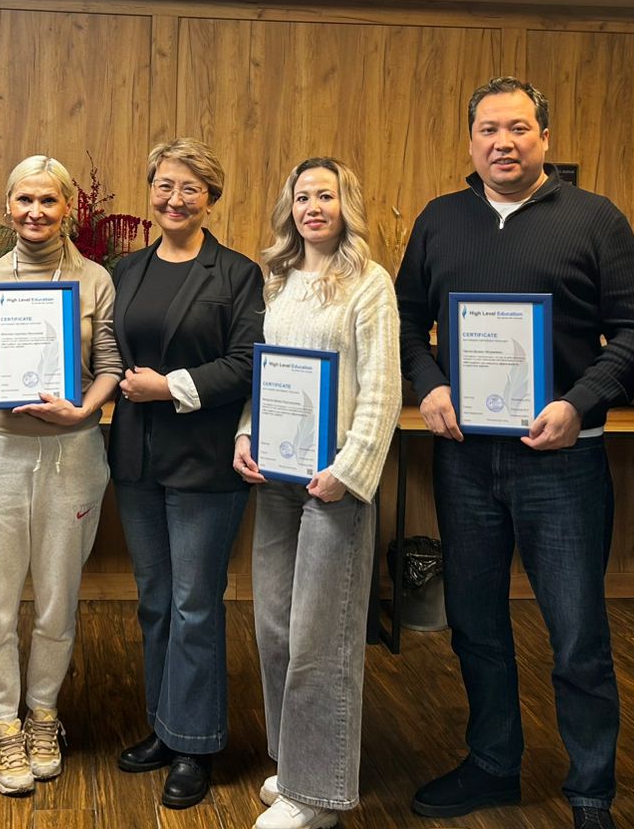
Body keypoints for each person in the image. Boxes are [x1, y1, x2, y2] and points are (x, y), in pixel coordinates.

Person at [396, 76, 634, 829]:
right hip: (466, 458)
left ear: (545, 137)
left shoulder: (594, 219)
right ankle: (493, 764)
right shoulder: (440, 219)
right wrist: (429, 384)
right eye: (488, 129)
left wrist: (581, 403)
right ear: (470, 140)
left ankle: (591, 791)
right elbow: (406, 319)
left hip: (563, 461)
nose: (503, 143)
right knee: (475, 622)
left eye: (518, 128)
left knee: (577, 634)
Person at [0, 155, 122, 796]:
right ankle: (3, 723)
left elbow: (109, 363)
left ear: (68, 208)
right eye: (24, 200)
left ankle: (43, 714)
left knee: (56, 602)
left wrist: (85, 408)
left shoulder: (95, 279)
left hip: (73, 454)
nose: (36, 212)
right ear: (7, 207)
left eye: (49, 200)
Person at [233, 157, 401, 829]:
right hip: (277, 476)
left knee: (320, 637)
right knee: (274, 627)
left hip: (334, 483)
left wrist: (350, 470)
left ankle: (317, 797)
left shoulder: (369, 283)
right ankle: (296, 766)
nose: (312, 207)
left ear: (344, 205)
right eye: (302, 197)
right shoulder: (277, 279)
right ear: (290, 209)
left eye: (325, 196)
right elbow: (267, 375)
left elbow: (383, 389)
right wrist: (247, 433)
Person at [107, 137, 263, 810]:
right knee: (154, 599)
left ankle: (195, 745)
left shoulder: (237, 274)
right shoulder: (125, 269)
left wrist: (168, 386)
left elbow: (248, 362)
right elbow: (104, 348)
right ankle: (164, 727)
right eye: (165, 185)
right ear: (151, 190)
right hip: (137, 460)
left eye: (190, 188)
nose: (175, 199)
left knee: (195, 604)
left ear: (211, 198)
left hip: (205, 461)